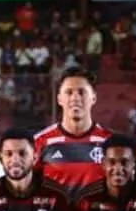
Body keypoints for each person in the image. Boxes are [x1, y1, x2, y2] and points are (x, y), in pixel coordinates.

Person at [33, 67, 112, 197]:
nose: (75, 98)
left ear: (93, 98)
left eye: (82, 92)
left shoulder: (110, 143)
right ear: (59, 99)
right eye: (69, 92)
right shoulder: (40, 142)